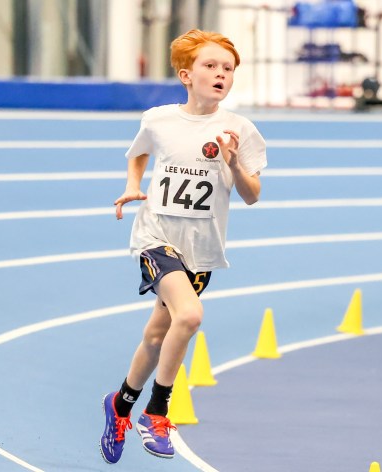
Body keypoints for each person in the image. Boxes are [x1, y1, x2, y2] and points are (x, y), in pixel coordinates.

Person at [99, 29, 267, 464]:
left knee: (158, 335)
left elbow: (252, 195)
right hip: (156, 238)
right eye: (210, 66)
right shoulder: (159, 120)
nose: (221, 74)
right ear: (186, 75)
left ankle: (120, 404)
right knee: (190, 316)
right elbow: (139, 152)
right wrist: (133, 184)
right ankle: (156, 412)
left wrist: (233, 163)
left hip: (201, 251)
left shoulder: (240, 129)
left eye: (228, 68)